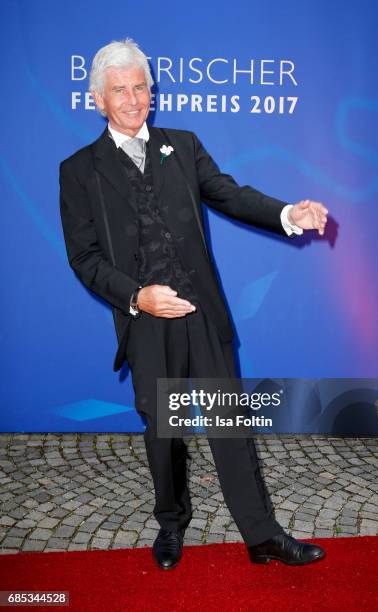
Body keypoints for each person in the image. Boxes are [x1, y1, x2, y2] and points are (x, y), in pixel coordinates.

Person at [59, 38, 328, 570]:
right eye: (120, 90)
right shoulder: (78, 171)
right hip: (147, 321)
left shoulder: (182, 145)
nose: (134, 99)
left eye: (141, 87)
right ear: (98, 99)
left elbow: (229, 193)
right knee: (163, 433)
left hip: (203, 313)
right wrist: (137, 297)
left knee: (230, 426)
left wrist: (288, 214)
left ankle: (261, 535)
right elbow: (84, 258)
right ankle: (171, 524)